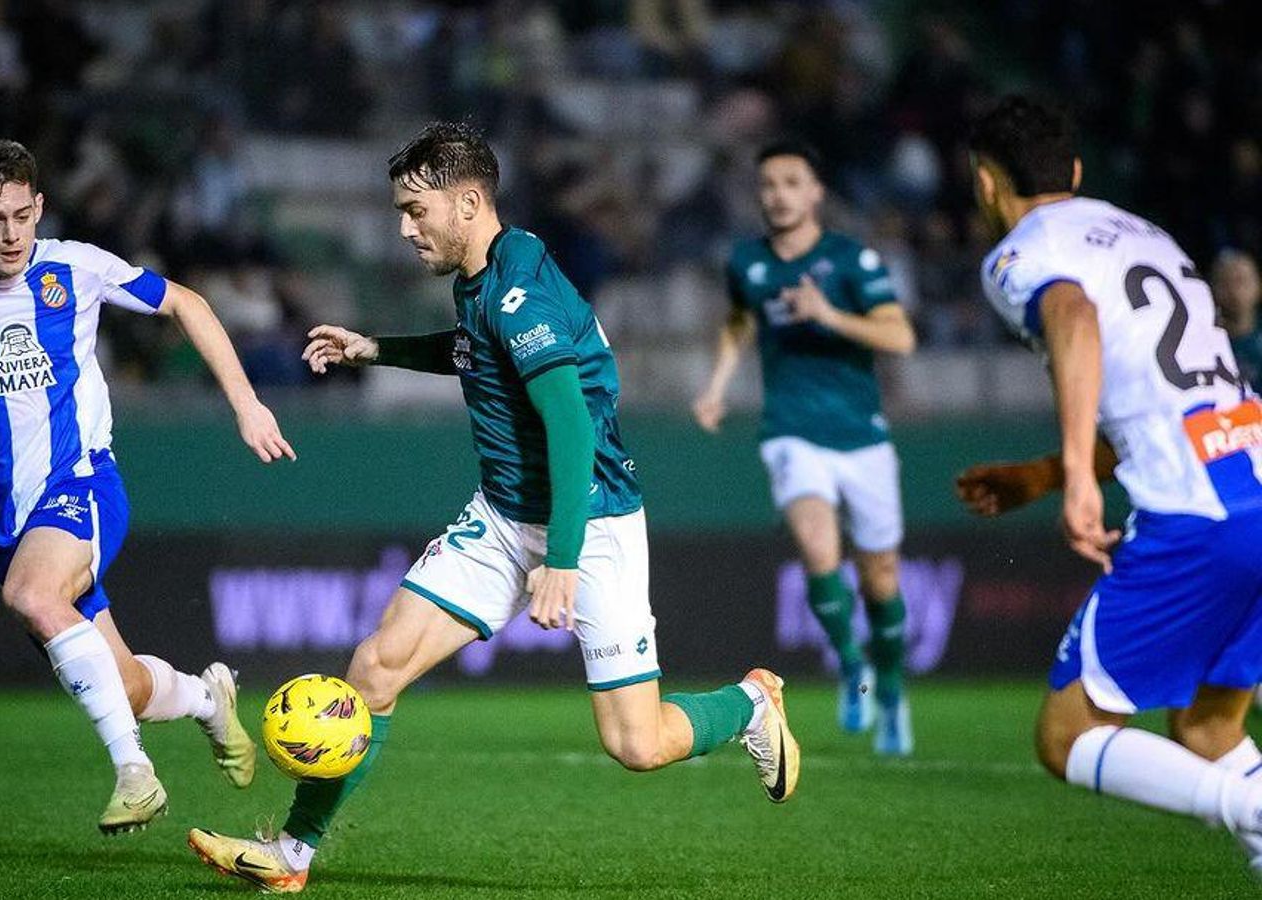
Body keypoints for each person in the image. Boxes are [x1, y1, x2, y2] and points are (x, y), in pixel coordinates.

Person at [184, 122, 800, 894]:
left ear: (468, 202)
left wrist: (564, 563)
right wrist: (378, 349)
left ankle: (748, 704)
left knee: (637, 746)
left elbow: (572, 427)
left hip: (593, 520)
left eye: (417, 211)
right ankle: (293, 856)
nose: (405, 230)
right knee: (375, 667)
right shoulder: (487, 279)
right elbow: (472, 347)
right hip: (505, 519)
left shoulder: (521, 293)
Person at [0, 140, 294, 834]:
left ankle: (135, 775)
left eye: (22, 214)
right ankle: (207, 698)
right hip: (0, 521)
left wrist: (246, 403)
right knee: (127, 686)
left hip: (80, 483)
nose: (12, 233)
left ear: (40, 207)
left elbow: (187, 304)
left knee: (32, 595)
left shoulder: (78, 267)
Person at [955, 95, 1262, 872]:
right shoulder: (1145, 235)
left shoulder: (1021, 252)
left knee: (1067, 737)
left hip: (1199, 516)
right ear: (1079, 172)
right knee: (1207, 731)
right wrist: (1049, 475)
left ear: (987, 184)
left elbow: (1073, 317)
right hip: (1251, 476)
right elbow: (1154, 402)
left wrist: (1076, 481)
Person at [691, 140, 917, 755]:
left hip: (862, 434)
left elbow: (899, 335)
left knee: (881, 573)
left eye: (792, 181)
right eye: (768, 184)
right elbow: (739, 321)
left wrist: (829, 314)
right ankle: (852, 665)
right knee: (820, 550)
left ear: (816, 193)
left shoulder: (851, 259)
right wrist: (715, 386)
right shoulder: (747, 262)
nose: (779, 194)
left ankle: (890, 690)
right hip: (791, 429)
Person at [1211, 248, 1262, 391]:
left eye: (1242, 280)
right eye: (1225, 283)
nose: (1234, 291)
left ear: (1259, 285)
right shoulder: (1207, 340)